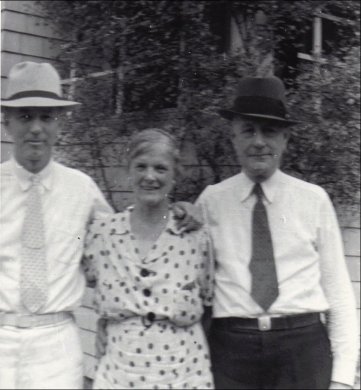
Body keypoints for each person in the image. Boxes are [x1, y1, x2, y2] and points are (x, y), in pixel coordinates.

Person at [0, 62, 199, 389]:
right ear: (7, 123)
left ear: (59, 125)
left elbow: (127, 240)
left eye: (46, 117)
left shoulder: (80, 188)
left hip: (56, 343)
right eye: (25, 116)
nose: (36, 127)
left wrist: (177, 211)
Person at [196, 76, 359, 389]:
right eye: (248, 131)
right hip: (232, 353)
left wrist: (342, 378)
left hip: (302, 352)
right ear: (233, 138)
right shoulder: (210, 202)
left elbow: (338, 293)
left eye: (269, 131)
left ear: (285, 138)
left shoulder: (313, 200)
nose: (259, 141)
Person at [82, 128, 214, 389]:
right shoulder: (103, 233)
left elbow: (209, 301)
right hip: (120, 373)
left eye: (161, 168)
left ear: (175, 174)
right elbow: (90, 281)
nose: (150, 176)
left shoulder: (195, 237)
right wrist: (105, 322)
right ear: (128, 170)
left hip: (183, 374)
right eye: (141, 166)